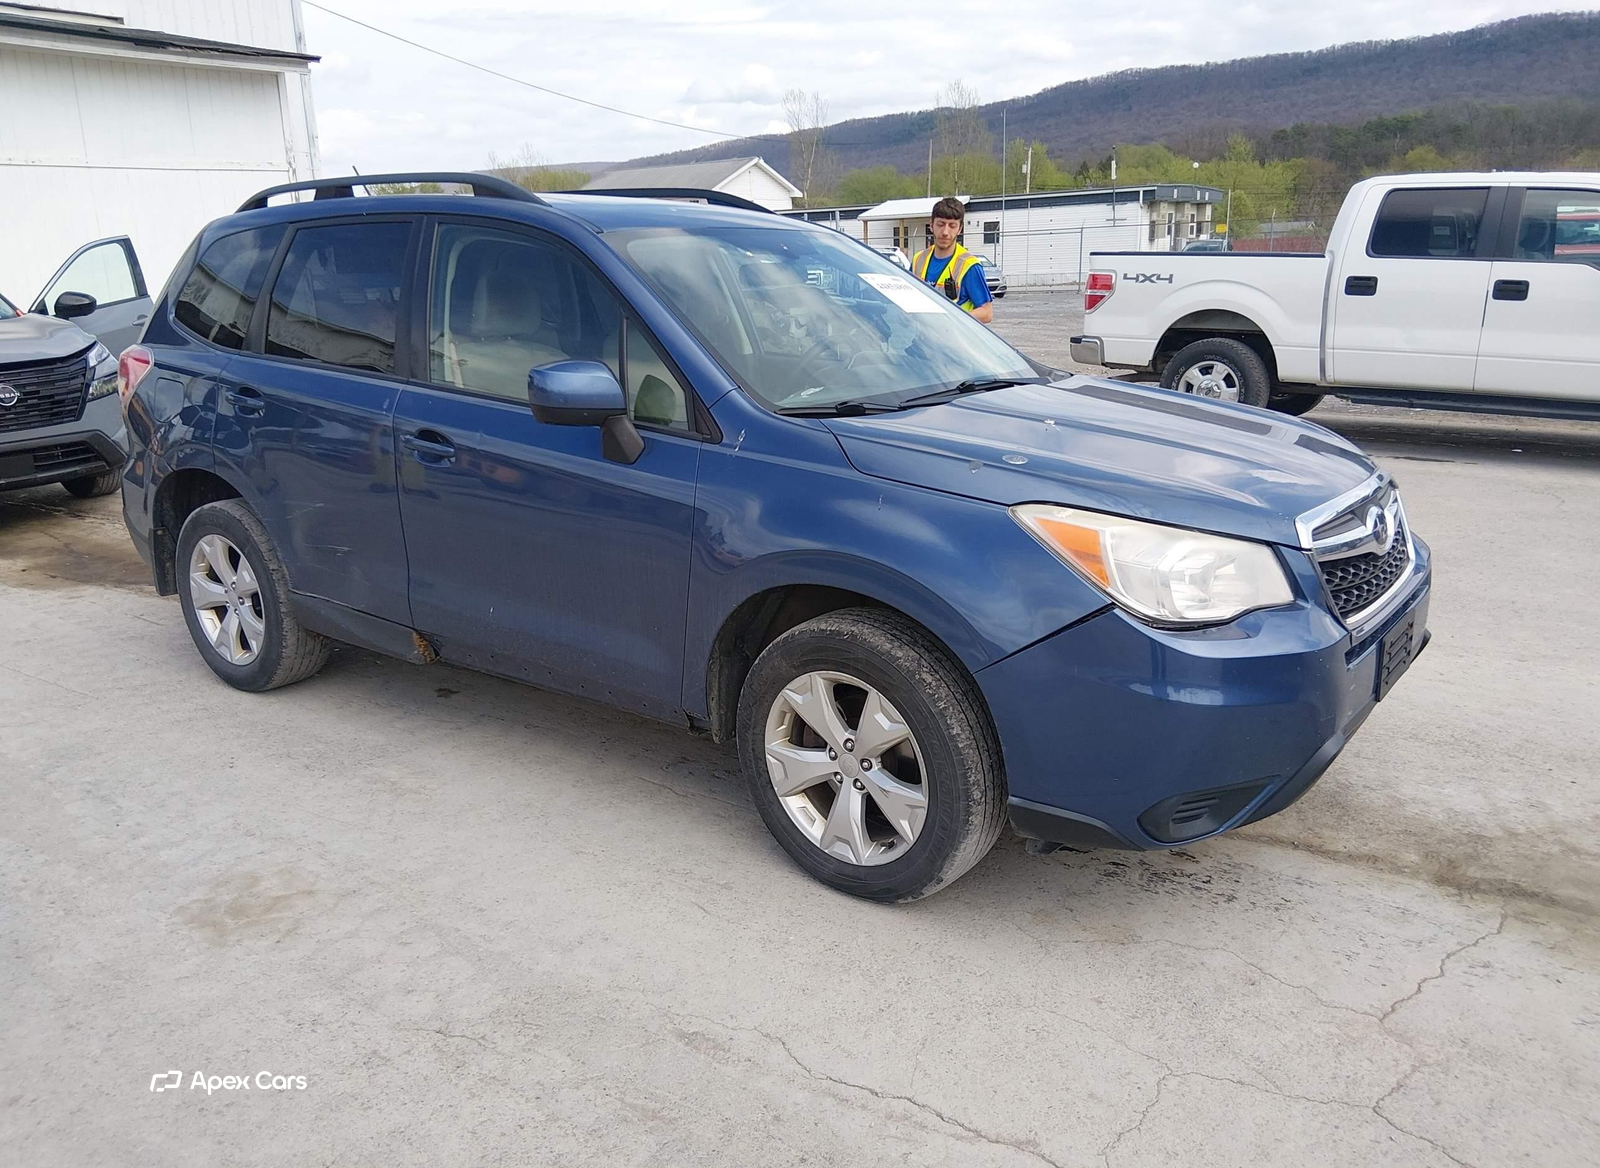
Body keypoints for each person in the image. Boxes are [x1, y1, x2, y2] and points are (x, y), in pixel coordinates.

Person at [911, 197, 994, 324]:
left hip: (954, 340)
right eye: (940, 224)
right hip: (923, 338)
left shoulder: (968, 266)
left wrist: (954, 317)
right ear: (931, 225)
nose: (945, 232)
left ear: (960, 229)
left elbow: (986, 313)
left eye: (952, 226)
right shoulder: (918, 260)